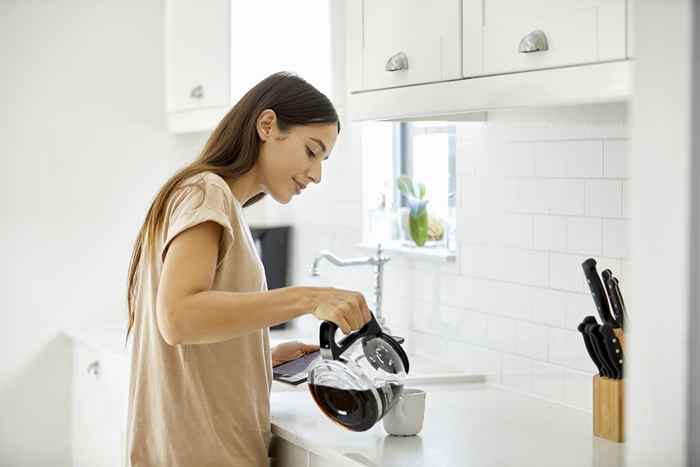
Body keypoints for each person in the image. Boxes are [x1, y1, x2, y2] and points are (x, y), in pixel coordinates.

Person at [124, 71, 372, 466]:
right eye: (312, 151)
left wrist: (260, 355)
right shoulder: (206, 193)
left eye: (323, 159)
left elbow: (190, 335)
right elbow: (178, 318)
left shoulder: (209, 199)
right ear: (268, 125)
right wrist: (307, 297)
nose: (316, 174)